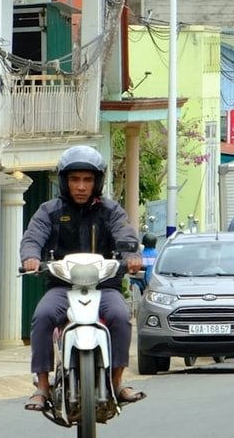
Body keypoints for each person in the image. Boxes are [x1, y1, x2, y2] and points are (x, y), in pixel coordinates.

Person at [20, 145, 144, 411]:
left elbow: (126, 235)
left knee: (122, 318)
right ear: (64, 181)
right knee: (42, 317)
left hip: (104, 288)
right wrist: (30, 256)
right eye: (75, 179)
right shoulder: (48, 210)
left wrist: (130, 256)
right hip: (62, 288)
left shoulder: (111, 211)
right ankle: (42, 386)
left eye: (87, 180)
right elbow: (33, 237)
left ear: (97, 182)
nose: (81, 186)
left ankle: (118, 381)